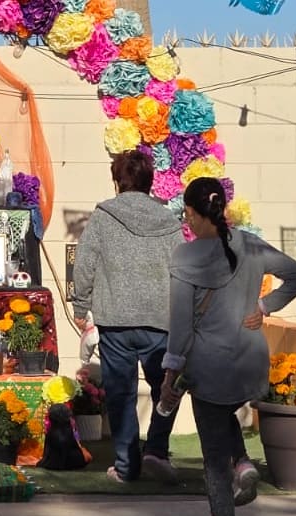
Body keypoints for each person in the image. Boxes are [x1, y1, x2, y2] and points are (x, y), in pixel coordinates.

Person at [160, 177, 296, 516]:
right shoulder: (250, 243)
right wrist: (265, 305)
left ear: (192, 214)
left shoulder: (185, 257)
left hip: (209, 366)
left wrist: (168, 376)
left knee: (213, 460)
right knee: (225, 413)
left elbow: (179, 329)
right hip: (250, 360)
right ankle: (243, 462)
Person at [73, 151, 186, 484]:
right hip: (161, 321)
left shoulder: (104, 216)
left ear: (117, 181)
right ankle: (156, 450)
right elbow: (182, 270)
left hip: (115, 320)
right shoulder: (170, 222)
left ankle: (126, 466)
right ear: (151, 182)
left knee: (121, 394)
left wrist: (81, 307)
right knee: (166, 389)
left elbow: (85, 264)